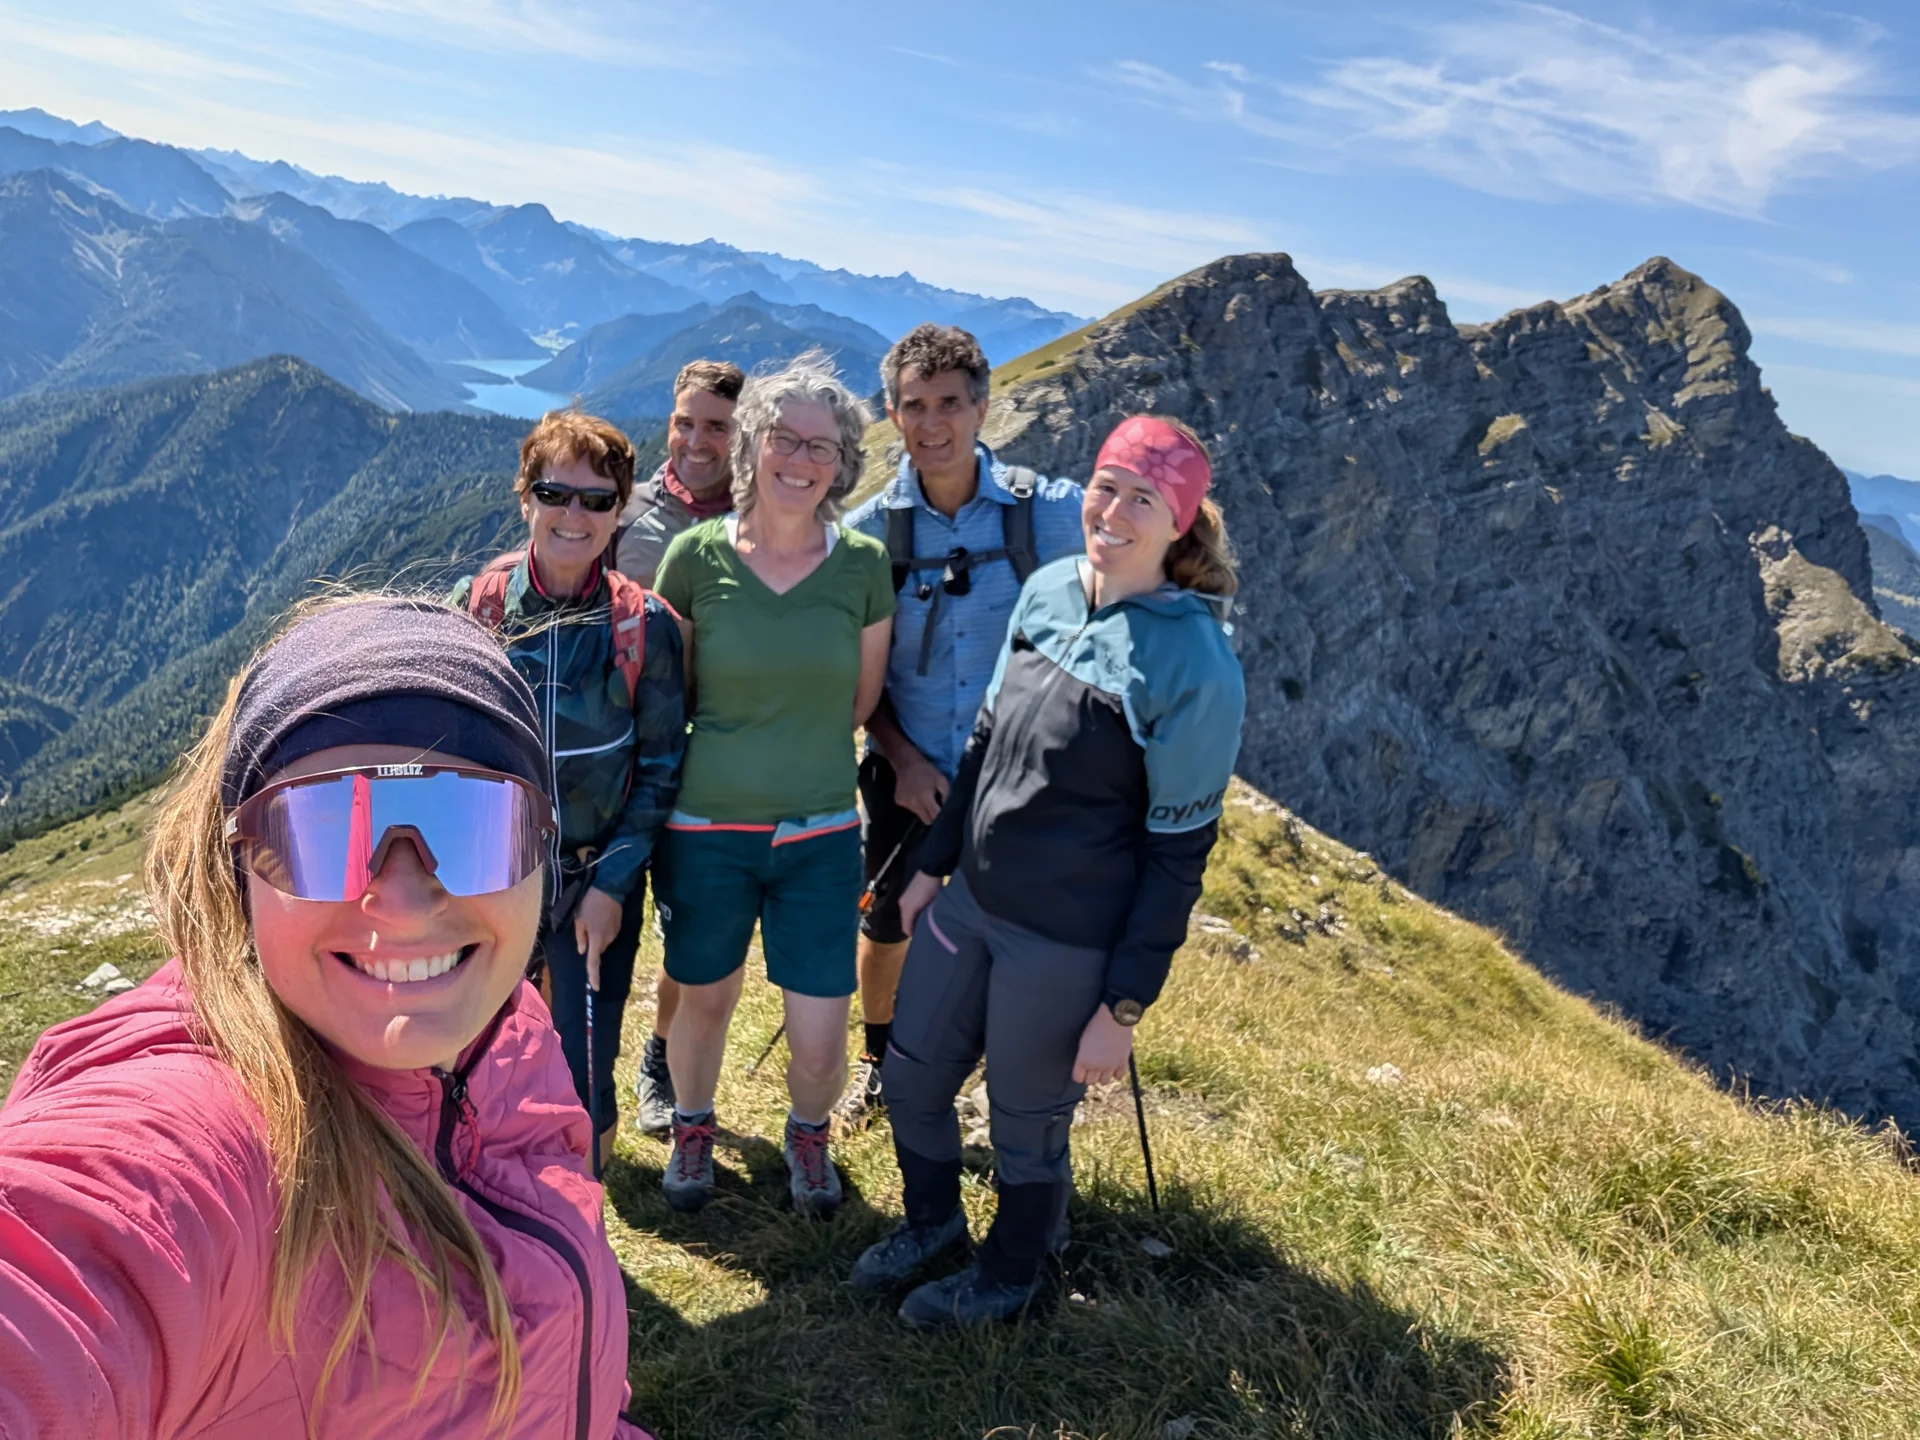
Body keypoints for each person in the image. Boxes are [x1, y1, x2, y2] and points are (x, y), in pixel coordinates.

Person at [0, 598, 652, 1436]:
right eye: (325, 832)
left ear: (542, 852)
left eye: (473, 823)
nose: (408, 902)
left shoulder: (509, 1030)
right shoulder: (201, 1146)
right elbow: (73, 1256)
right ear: (243, 872)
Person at [851, 415, 1247, 1329]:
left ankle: (1011, 1277)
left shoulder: (1195, 665)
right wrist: (928, 869)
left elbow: (1178, 853)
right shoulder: (1050, 591)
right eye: (1106, 486)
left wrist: (1122, 1008)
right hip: (972, 902)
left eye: (1143, 498)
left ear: (1180, 523)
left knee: (1027, 1123)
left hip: (1065, 939)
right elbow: (987, 746)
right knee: (911, 1077)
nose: (1113, 510)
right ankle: (933, 1224)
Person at [650, 351, 893, 1217]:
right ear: (751, 444)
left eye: (821, 447)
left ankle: (808, 1132)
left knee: (823, 1034)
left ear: (843, 464)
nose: (800, 458)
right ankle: (692, 1125)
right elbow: (670, 692)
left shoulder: (863, 565)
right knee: (702, 998)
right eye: (783, 438)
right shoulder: (692, 557)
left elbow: (862, 701)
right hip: (707, 826)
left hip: (821, 833)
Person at [839, 323, 1084, 1125]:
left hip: (1018, 783)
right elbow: (857, 674)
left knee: (1009, 938)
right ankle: (881, 1058)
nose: (932, 423)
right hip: (906, 770)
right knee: (885, 923)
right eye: (914, 405)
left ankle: (999, 1079)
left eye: (949, 403)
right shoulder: (871, 532)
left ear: (983, 409)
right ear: (891, 411)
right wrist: (904, 762)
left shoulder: (1048, 514)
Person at [452, 410, 686, 1174]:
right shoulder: (476, 609)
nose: (574, 515)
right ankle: (485, 1225)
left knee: (586, 1077)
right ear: (525, 497)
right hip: (488, 884)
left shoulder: (645, 627)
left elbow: (658, 769)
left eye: (597, 498)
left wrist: (613, 884)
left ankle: (582, 1233)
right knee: (471, 1063)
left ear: (621, 510)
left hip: (592, 892)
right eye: (556, 492)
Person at [612, 359, 745, 1139]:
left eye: (717, 426)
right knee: (594, 910)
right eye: (684, 421)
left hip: (712, 754)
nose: (697, 440)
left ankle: (659, 1059)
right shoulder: (624, 507)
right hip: (621, 748)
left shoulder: (764, 519)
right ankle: (561, 1058)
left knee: (690, 926)